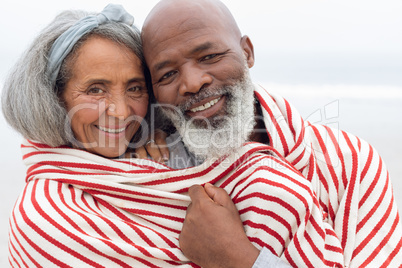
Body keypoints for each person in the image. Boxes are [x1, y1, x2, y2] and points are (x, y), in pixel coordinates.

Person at [141, 0, 402, 267]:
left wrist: (237, 258)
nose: (193, 83)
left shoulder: (351, 164)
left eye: (209, 57)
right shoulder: (148, 174)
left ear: (247, 53)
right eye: (168, 74)